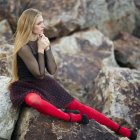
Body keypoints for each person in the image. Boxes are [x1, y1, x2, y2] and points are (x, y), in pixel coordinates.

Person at [8, 8, 137, 140]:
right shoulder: (23, 47)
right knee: (34, 100)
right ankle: (70, 116)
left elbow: (52, 70)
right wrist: (41, 50)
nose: (43, 26)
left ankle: (121, 130)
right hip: (26, 85)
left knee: (79, 106)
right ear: (30, 26)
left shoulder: (42, 40)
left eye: (43, 22)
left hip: (44, 83)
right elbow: (39, 74)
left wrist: (47, 48)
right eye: (39, 23)